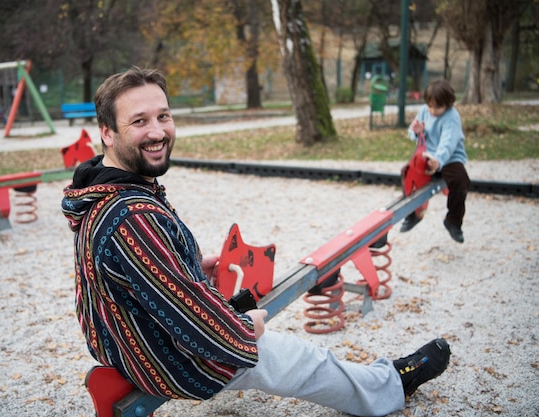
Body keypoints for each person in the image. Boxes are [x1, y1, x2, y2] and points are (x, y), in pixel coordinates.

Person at [61, 66, 451, 416]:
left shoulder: (105, 191)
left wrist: (192, 269)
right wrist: (247, 328)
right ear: (107, 132)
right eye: (139, 121)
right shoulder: (131, 218)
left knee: (254, 317)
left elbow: (136, 277)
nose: (158, 131)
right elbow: (199, 327)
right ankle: (390, 386)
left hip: (123, 340)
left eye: (163, 116)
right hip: (166, 357)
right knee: (303, 361)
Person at [399, 79, 470, 243]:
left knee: (461, 181)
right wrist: (417, 132)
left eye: (437, 107)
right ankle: (413, 214)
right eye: (430, 106)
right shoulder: (425, 110)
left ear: (448, 104)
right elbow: (412, 130)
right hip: (428, 155)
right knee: (407, 173)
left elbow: (448, 143)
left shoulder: (451, 117)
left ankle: (453, 221)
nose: (432, 110)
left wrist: (438, 160)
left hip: (449, 157)